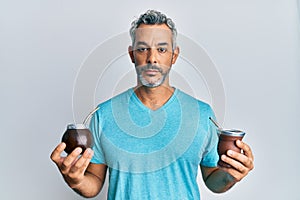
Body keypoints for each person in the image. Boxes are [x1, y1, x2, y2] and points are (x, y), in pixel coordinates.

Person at [51, 10, 254, 200]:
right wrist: (75, 179)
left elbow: (212, 180)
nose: (152, 58)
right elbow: (94, 183)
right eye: (142, 49)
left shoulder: (202, 114)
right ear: (132, 55)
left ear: (174, 55)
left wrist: (230, 175)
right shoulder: (103, 115)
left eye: (162, 49)